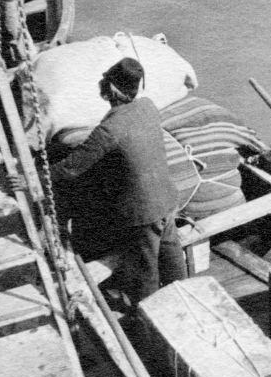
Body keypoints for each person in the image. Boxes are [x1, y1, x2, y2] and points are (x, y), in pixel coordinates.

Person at [49, 57, 186, 313]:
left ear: (111, 89)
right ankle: (187, 297)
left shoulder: (109, 129)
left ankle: (150, 319)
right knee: (171, 254)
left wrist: (37, 175)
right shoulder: (148, 107)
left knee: (145, 271)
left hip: (142, 213)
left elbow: (71, 166)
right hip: (167, 200)